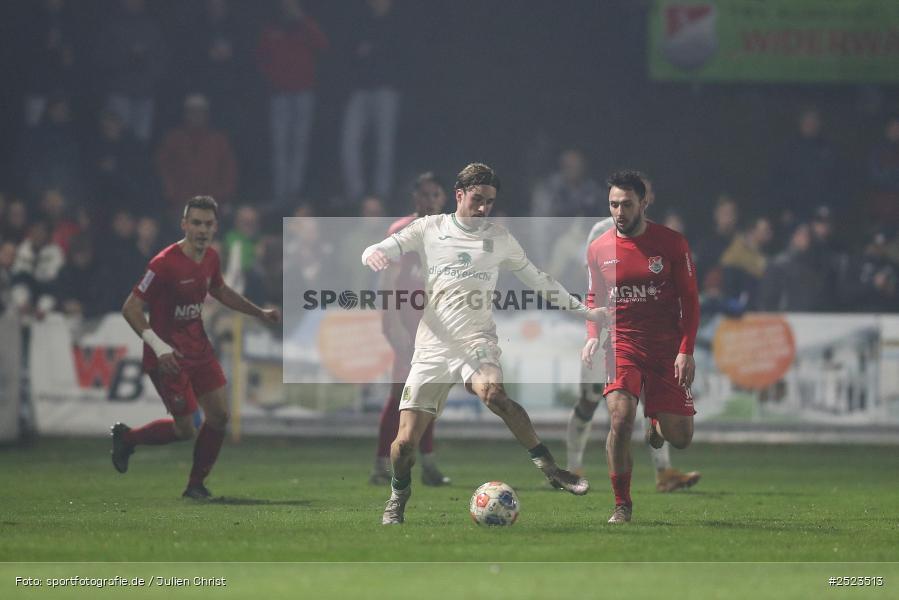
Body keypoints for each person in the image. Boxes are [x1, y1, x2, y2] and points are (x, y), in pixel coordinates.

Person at [362, 163, 605, 524]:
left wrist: (585, 312)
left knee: (493, 393)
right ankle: (398, 496)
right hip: (432, 347)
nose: (483, 208)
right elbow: (382, 247)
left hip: (477, 340)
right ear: (459, 195)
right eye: (477, 199)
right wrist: (373, 254)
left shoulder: (499, 239)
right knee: (404, 446)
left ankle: (550, 467)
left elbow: (539, 281)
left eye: (489, 202)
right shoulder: (430, 228)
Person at [111, 196, 280, 499]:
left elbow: (221, 290)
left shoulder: (211, 258)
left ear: (215, 227)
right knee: (185, 430)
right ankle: (128, 438)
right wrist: (159, 347)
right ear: (184, 225)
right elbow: (131, 308)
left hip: (198, 349)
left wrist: (259, 313)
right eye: (196, 223)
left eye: (208, 224)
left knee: (219, 417)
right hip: (168, 357)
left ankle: (195, 485)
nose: (202, 229)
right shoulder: (164, 264)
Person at [566, 175, 700, 493]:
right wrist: (592, 334)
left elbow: (689, 297)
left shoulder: (666, 241)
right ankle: (573, 469)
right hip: (612, 337)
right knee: (593, 404)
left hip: (656, 340)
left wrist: (684, 346)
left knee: (647, 410)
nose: (621, 210)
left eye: (629, 202)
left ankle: (664, 471)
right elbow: (594, 289)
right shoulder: (600, 235)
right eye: (615, 203)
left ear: (645, 201)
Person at [369, 172, 450, 487]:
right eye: (424, 195)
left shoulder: (447, 233)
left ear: (443, 198)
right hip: (404, 325)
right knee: (400, 393)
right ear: (415, 197)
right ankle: (379, 463)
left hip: (433, 329)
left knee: (429, 393)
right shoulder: (401, 231)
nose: (430, 201)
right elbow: (388, 283)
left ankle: (427, 461)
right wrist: (394, 326)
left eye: (435, 195)